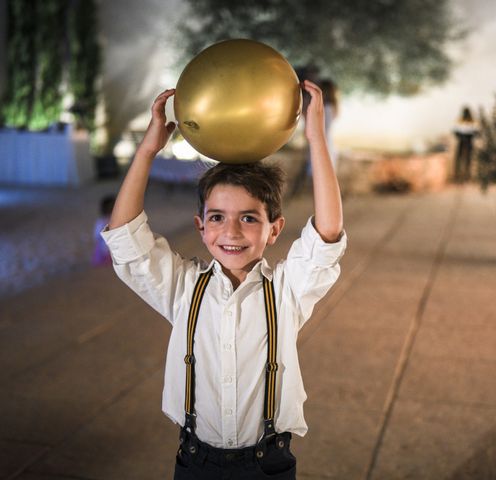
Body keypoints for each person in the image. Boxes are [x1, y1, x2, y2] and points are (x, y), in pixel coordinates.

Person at [101, 80, 345, 479]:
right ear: (200, 226)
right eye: (217, 217)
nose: (231, 232)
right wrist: (148, 149)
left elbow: (327, 236)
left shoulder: (286, 292)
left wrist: (316, 138)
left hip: (269, 465)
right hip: (195, 463)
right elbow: (125, 239)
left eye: (249, 218)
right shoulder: (183, 289)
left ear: (275, 229)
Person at [453, 106, 478, 182]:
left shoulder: (472, 121)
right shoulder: (460, 120)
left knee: (468, 159)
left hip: (468, 141)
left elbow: (476, 132)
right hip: (462, 141)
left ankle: (467, 175)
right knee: (459, 158)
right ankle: (458, 175)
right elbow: (455, 131)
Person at [91, 194, 115, 267]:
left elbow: (95, 236)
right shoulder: (112, 222)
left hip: (104, 249)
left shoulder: (100, 222)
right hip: (108, 249)